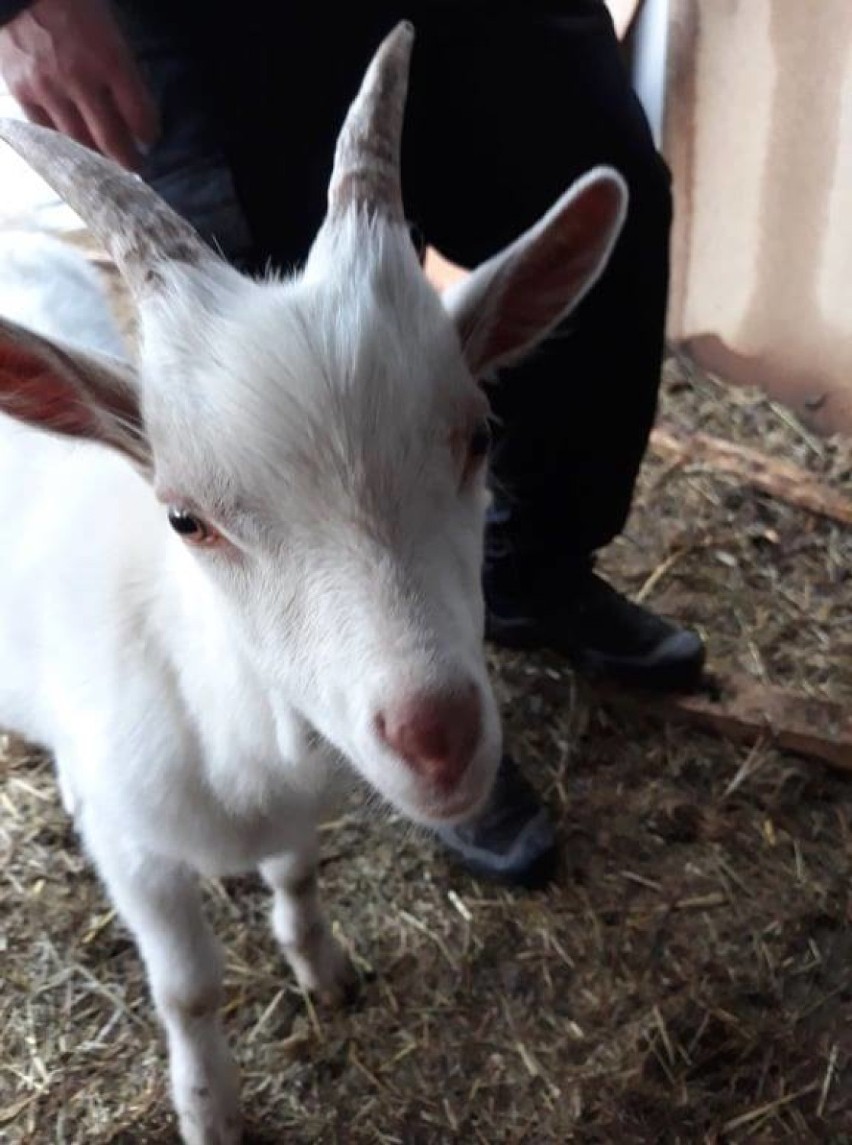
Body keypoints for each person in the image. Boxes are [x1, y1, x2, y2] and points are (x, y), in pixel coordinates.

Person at [0, 0, 705, 886]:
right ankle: (380, 696)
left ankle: (535, 575)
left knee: (599, 182)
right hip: (205, 29)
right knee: (266, 363)